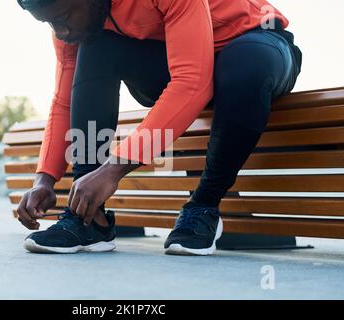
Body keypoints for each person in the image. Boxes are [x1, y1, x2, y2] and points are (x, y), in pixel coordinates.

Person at [16, 0, 302, 255]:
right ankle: (89, 218)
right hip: (178, 59)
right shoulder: (81, 21)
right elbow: (64, 101)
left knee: (245, 67)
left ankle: (203, 206)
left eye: (63, 16)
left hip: (256, 43)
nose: (60, 31)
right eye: (50, 23)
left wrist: (113, 169)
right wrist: (44, 180)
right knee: (96, 44)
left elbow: (191, 82)